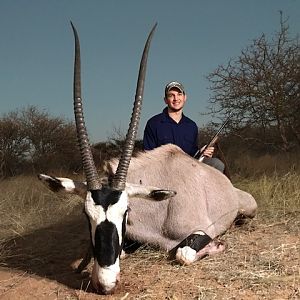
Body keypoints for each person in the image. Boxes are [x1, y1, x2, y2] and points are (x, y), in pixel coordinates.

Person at [143, 81, 225, 173]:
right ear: (165, 100)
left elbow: (193, 154)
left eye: (179, 94)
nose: (176, 98)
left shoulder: (191, 125)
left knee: (217, 164)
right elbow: (147, 156)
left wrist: (201, 152)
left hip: (189, 169)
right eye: (171, 95)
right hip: (164, 171)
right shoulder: (153, 123)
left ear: (185, 97)